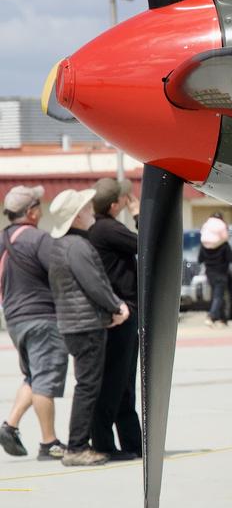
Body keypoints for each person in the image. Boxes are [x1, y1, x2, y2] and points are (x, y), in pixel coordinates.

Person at [42, 188, 128, 467]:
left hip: (71, 323)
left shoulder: (59, 245)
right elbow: (94, 283)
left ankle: (80, 443)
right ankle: (77, 446)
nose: (92, 211)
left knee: (86, 385)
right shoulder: (78, 246)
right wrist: (116, 307)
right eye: (87, 208)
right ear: (78, 216)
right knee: (88, 386)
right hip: (86, 324)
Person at [0, 184, 67, 461]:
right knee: (46, 381)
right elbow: (61, 271)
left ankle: (10, 426)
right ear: (31, 212)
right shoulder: (38, 239)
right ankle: (49, 443)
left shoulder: (2, 239)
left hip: (14, 318)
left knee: (34, 376)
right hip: (42, 317)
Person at [86, 177, 141, 460]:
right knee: (116, 384)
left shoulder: (98, 229)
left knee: (121, 384)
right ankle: (107, 444)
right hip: (122, 314)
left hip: (116, 314)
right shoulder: (109, 229)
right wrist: (138, 215)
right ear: (115, 203)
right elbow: (148, 244)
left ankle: (130, 443)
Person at [199, 214, 232, 324]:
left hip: (209, 273)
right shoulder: (224, 245)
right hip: (221, 272)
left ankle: (221, 319)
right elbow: (231, 258)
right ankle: (211, 316)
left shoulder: (204, 246)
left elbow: (200, 259)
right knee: (219, 296)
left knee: (216, 295)